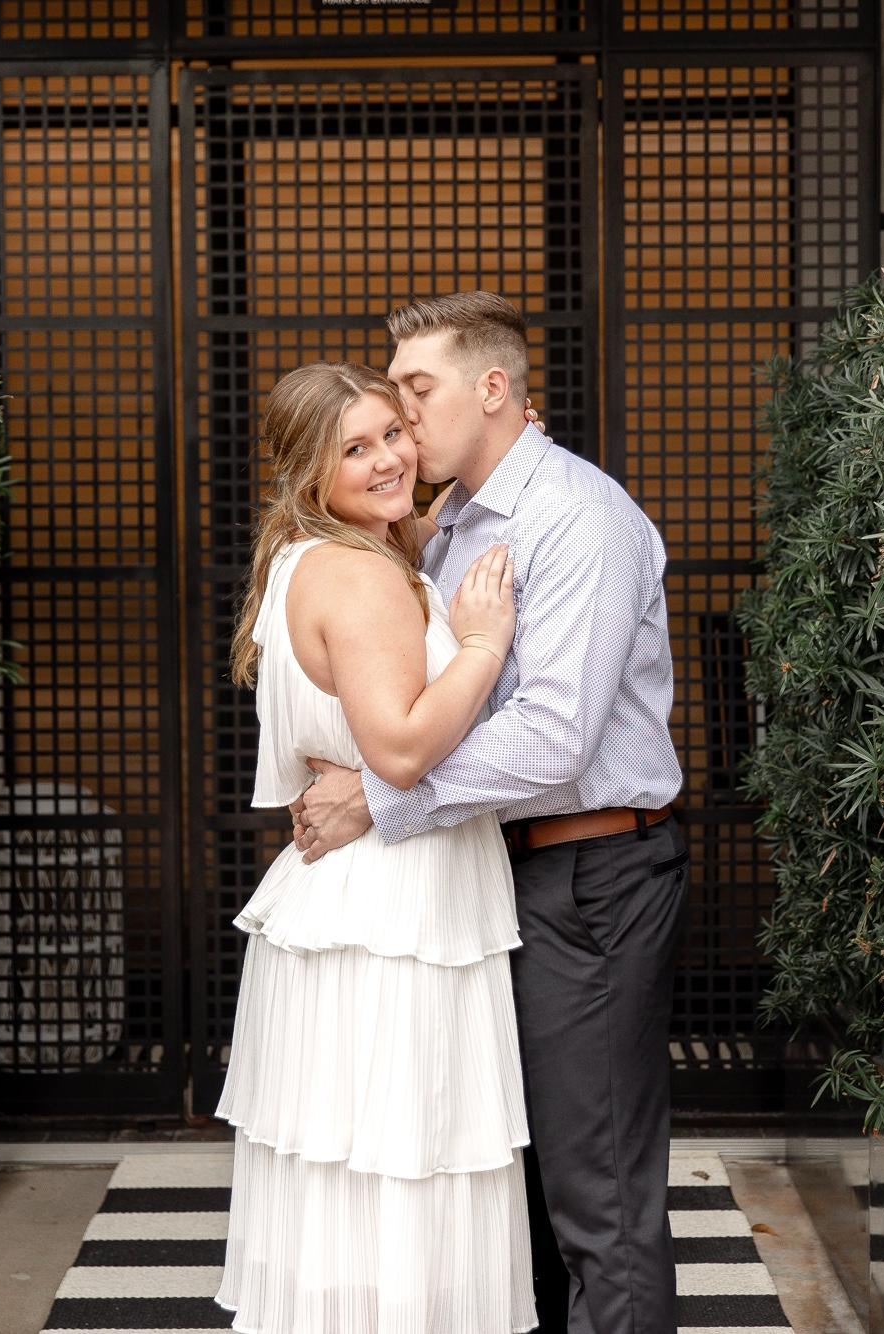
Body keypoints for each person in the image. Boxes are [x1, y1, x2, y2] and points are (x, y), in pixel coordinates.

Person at [291, 292, 689, 1334]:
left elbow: (555, 737)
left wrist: (381, 797)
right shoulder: (449, 525)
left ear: (495, 388)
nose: (401, 416)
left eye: (416, 391)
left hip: (593, 880)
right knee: (523, 1191)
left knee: (599, 1193)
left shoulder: (580, 519)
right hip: (496, 880)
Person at [212, 359, 538, 1334]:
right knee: (405, 1170)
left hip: (355, 895)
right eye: (354, 449)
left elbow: (423, 539)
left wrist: (492, 463)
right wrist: (480, 645)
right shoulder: (357, 576)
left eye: (393, 431)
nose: (389, 457)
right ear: (309, 473)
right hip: (396, 910)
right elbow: (396, 747)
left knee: (355, 1186)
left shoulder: (319, 555)